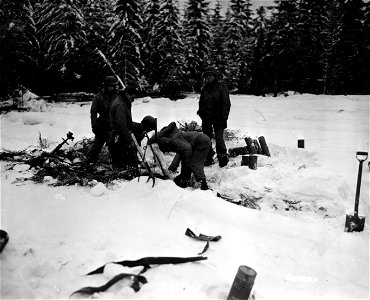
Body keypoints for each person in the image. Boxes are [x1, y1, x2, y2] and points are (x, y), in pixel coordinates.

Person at [108, 86, 156, 169]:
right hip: (119, 136)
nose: (133, 100)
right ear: (126, 94)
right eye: (132, 97)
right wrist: (130, 141)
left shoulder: (124, 101)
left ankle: (133, 163)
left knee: (142, 131)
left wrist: (141, 127)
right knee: (132, 147)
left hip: (122, 131)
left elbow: (127, 122)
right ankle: (131, 166)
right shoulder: (121, 105)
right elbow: (121, 126)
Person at [156, 122, 211, 190]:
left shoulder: (175, 140)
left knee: (195, 163)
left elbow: (187, 149)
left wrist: (185, 170)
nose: (168, 152)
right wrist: (174, 169)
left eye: (166, 150)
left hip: (202, 142)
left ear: (166, 145)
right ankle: (187, 179)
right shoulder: (175, 141)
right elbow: (181, 155)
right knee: (189, 162)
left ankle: (202, 184)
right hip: (200, 141)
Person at [197, 66, 231, 167]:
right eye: (207, 76)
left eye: (210, 75)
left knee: (219, 139)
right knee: (206, 139)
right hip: (207, 117)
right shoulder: (205, 88)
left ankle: (222, 157)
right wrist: (201, 113)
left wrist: (224, 117)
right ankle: (208, 157)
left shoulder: (221, 87)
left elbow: (226, 104)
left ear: (215, 76)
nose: (208, 77)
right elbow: (201, 103)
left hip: (219, 117)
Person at [87, 76, 119, 163]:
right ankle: (90, 162)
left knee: (114, 146)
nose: (111, 88)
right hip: (102, 124)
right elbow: (93, 112)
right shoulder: (98, 97)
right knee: (97, 145)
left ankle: (116, 164)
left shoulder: (118, 96)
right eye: (109, 86)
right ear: (105, 86)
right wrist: (94, 125)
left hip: (113, 124)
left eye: (113, 86)